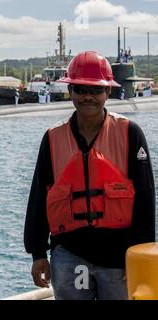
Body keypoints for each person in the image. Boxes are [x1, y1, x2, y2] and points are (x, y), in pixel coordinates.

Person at [24, 51, 155, 300]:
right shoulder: (53, 138)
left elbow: (146, 197)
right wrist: (38, 253)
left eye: (95, 90)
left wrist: (141, 255)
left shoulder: (130, 133)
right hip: (70, 254)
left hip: (119, 257)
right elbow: (39, 197)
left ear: (107, 92)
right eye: (80, 89)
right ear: (70, 91)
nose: (88, 97)